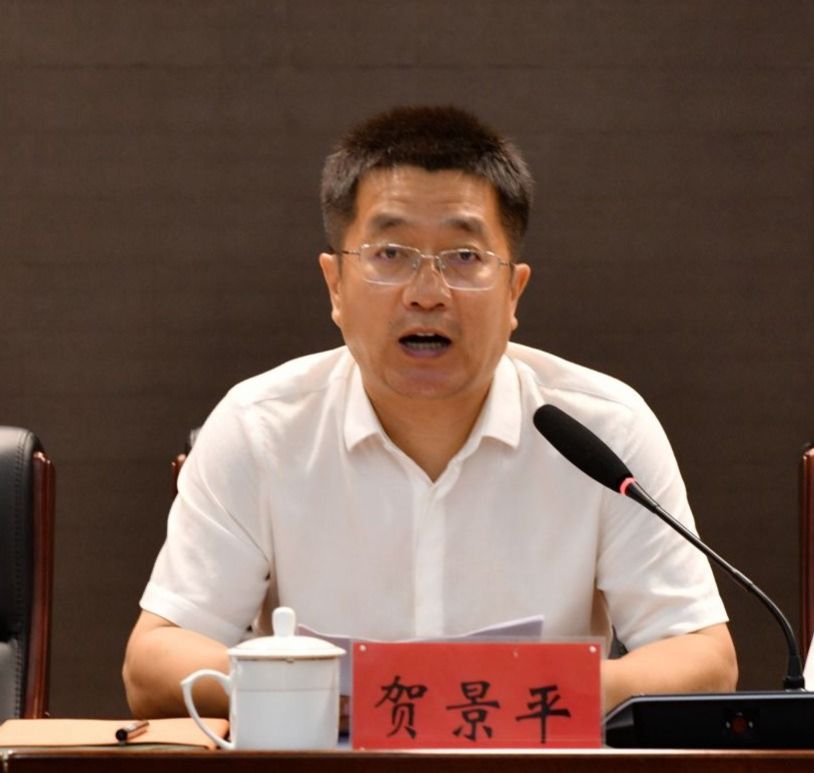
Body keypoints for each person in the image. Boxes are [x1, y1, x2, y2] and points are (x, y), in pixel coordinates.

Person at [123, 105, 737, 718]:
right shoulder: (259, 428)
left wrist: (526, 695)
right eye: (390, 253)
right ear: (335, 285)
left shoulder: (603, 430)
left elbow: (704, 659)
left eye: (464, 257)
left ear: (514, 291)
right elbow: (154, 662)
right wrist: (325, 694)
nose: (426, 293)